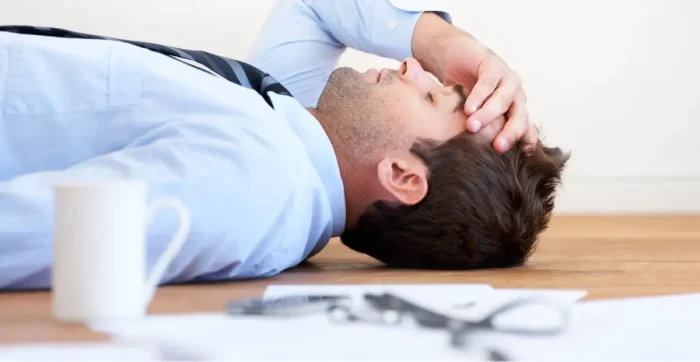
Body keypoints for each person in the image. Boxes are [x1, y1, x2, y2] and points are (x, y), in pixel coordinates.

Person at [0, 0, 568, 289]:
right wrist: (443, 39)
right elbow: (314, 7)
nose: (411, 68)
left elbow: (34, 229)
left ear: (402, 175)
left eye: (432, 97)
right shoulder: (292, 126)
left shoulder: (255, 185)